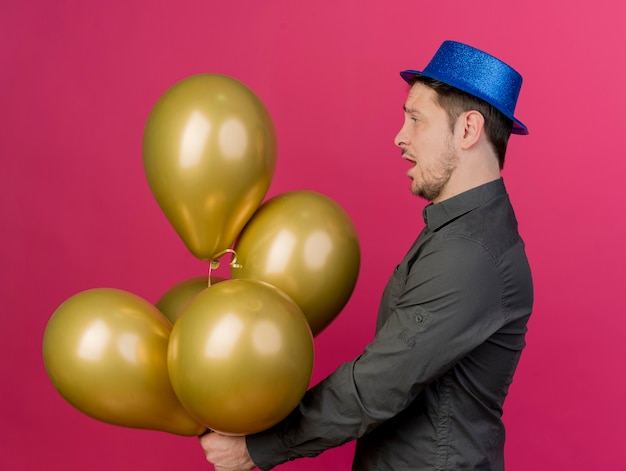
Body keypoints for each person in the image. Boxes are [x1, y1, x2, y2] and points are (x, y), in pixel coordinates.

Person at [199, 40, 534, 471]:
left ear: (468, 130)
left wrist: (259, 447)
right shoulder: (460, 231)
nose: (400, 136)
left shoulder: (470, 253)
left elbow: (379, 385)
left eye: (416, 119)